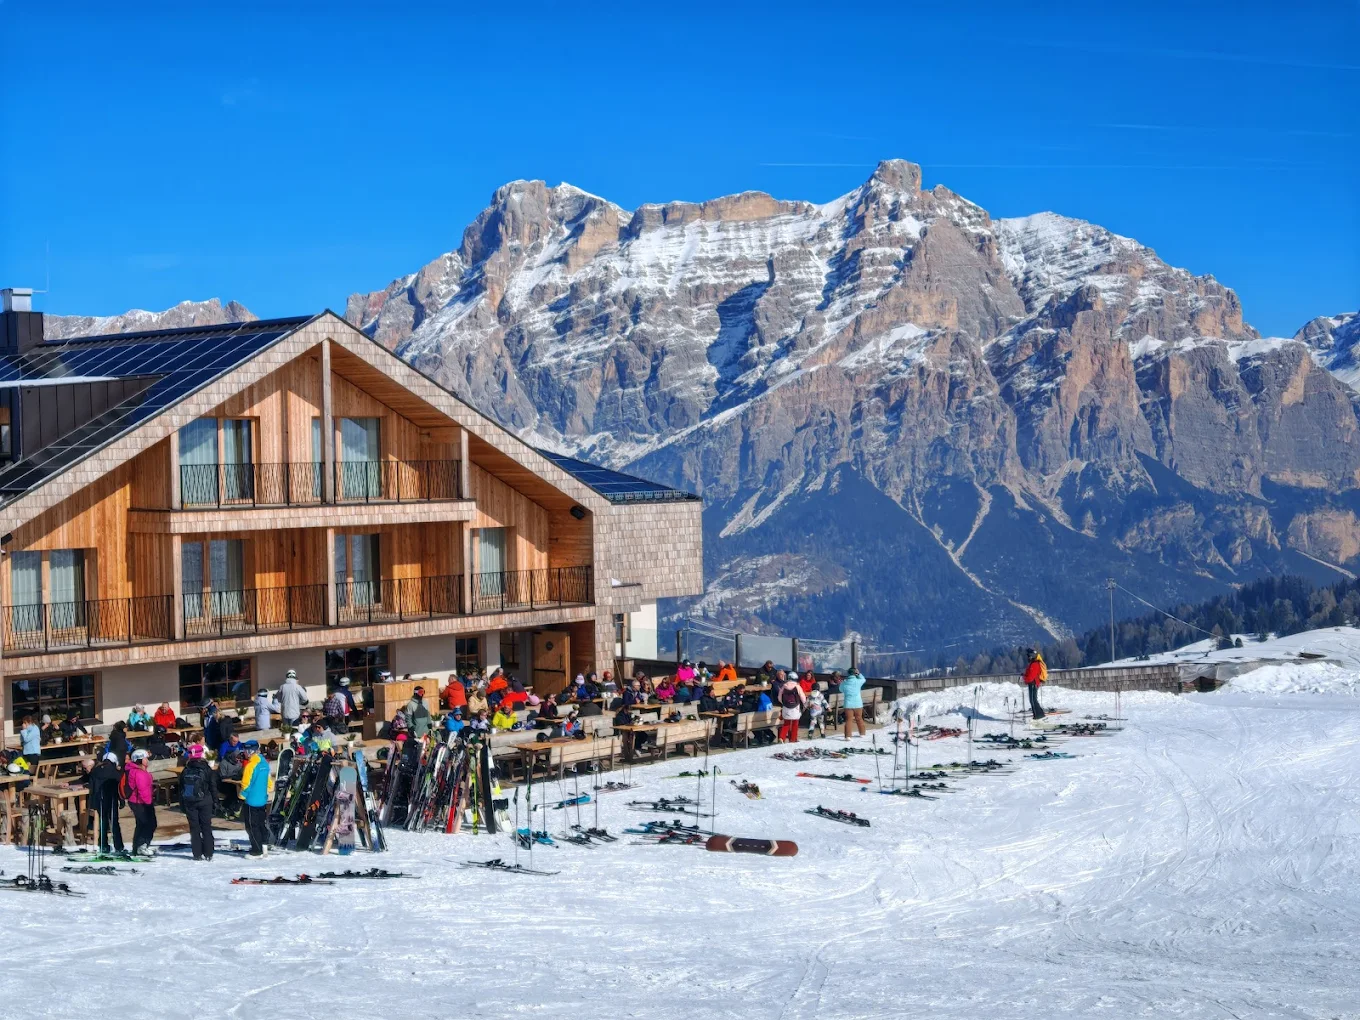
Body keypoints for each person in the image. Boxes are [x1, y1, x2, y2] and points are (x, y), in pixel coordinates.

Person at [178, 744, 218, 861]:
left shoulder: (185, 770)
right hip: (205, 801)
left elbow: (181, 789)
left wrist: (182, 805)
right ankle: (209, 853)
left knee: (194, 828)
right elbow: (213, 786)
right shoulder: (206, 768)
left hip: (190, 802)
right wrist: (215, 801)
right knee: (206, 827)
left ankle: (197, 853)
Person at [239, 744, 272, 857]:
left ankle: (256, 851)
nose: (244, 753)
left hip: (251, 800)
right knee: (261, 823)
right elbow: (269, 782)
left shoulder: (251, 766)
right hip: (262, 799)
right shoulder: (264, 764)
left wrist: (242, 796)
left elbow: (245, 784)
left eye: (245, 751)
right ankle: (264, 846)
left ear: (250, 751)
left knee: (252, 826)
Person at [89, 752, 125, 854]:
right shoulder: (115, 772)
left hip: (99, 799)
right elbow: (119, 788)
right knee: (114, 823)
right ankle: (118, 846)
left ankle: (103, 845)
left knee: (103, 822)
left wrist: (91, 803)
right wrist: (121, 801)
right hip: (112, 799)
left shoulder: (95, 771)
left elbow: (91, 787)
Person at [123, 749, 157, 855]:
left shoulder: (140, 770)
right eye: (145, 758)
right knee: (149, 824)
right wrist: (148, 804)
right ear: (140, 760)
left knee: (142, 824)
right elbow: (143, 790)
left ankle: (137, 847)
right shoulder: (138, 772)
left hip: (139, 801)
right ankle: (141, 846)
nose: (147, 760)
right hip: (140, 802)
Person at [777, 677, 807, 743]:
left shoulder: (784, 686)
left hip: (786, 707)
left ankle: (782, 737)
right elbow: (802, 697)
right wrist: (805, 705)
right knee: (795, 723)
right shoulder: (797, 686)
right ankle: (793, 739)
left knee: (786, 723)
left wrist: (783, 703)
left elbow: (779, 697)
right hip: (795, 708)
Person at [841, 667, 867, 739]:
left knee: (849, 720)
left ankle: (848, 736)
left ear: (848, 674)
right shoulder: (858, 681)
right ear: (855, 673)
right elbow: (863, 679)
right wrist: (859, 674)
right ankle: (862, 733)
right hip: (858, 704)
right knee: (859, 718)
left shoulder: (844, 682)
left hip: (848, 704)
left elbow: (840, 689)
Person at [1023, 649, 1047, 720]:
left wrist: (1024, 678)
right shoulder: (1033, 664)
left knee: (1033, 700)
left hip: (1033, 683)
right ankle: (1038, 714)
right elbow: (1029, 674)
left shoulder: (1034, 664)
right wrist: (1024, 676)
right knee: (1033, 699)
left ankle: (1038, 715)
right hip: (1033, 683)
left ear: (1032, 656)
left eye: (1028, 656)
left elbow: (1030, 677)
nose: (1027, 658)